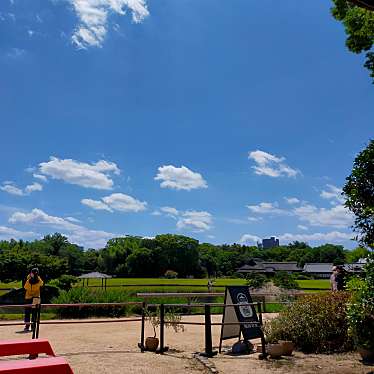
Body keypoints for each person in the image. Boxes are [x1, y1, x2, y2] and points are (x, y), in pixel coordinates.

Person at [23, 268, 43, 332]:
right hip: (35, 297)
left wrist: (30, 279)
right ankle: (32, 326)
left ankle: (28, 326)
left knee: (28, 312)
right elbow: (41, 284)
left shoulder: (30, 280)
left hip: (30, 297)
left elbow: (25, 287)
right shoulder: (38, 280)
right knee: (33, 312)